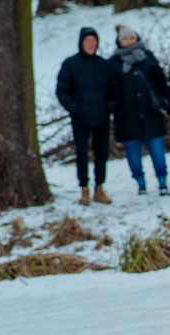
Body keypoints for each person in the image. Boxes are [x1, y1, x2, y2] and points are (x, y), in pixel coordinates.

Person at [109, 24, 170, 196]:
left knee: (158, 153)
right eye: (125, 39)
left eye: (131, 37)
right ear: (119, 41)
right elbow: (111, 90)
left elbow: (161, 82)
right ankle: (140, 183)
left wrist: (167, 105)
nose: (129, 41)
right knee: (133, 156)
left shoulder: (148, 57)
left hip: (151, 115)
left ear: (136, 38)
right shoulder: (114, 63)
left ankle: (162, 182)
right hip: (127, 119)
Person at [56, 27, 115, 206]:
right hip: (80, 118)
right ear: (81, 43)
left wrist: (107, 108)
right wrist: (75, 109)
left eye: (93, 40)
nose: (91, 44)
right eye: (87, 41)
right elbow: (62, 91)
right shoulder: (70, 64)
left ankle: (99, 187)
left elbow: (114, 90)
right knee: (82, 153)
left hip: (101, 117)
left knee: (101, 153)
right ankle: (84, 188)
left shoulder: (104, 65)